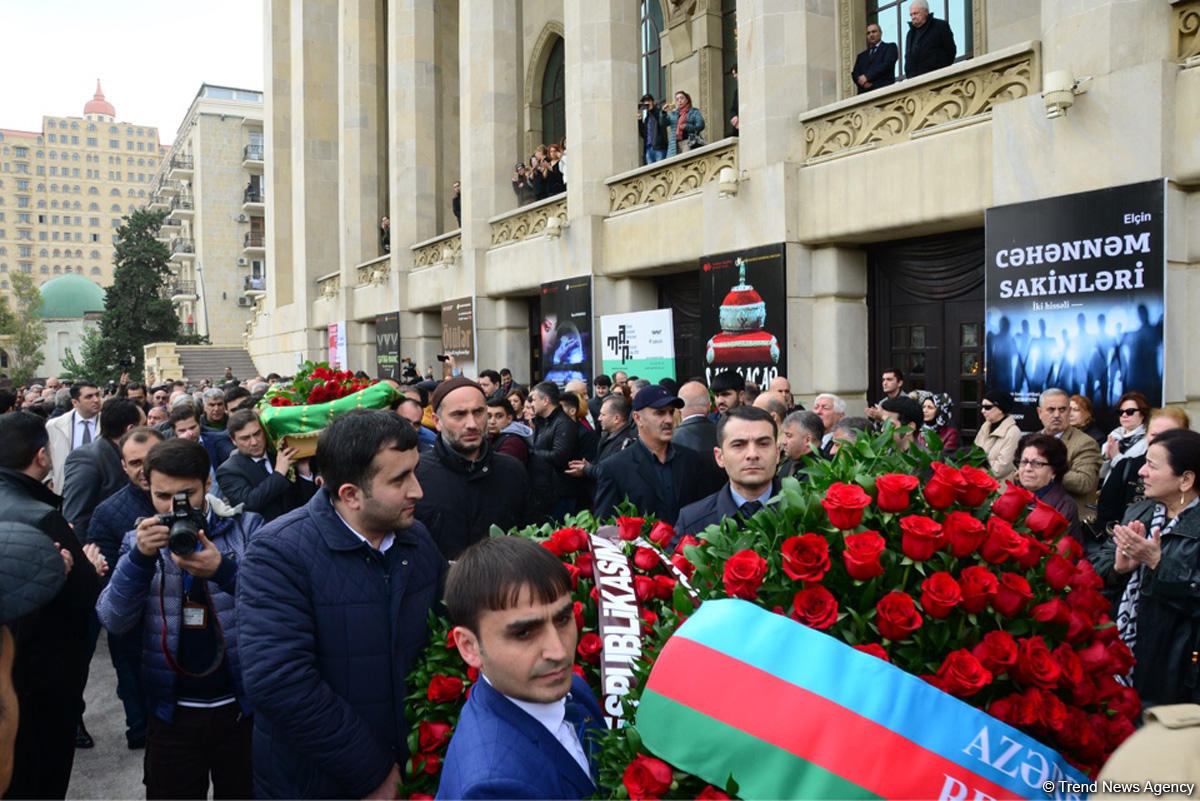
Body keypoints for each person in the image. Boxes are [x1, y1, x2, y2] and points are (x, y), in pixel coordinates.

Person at [238, 410, 447, 799]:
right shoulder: (277, 552)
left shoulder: (415, 539)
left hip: (411, 771)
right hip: (318, 783)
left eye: (414, 472)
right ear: (350, 494)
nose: (417, 490)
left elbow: (442, 634)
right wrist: (372, 772)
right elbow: (279, 681)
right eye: (399, 479)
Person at [96, 438, 264, 799]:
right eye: (162, 496)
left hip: (241, 709)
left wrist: (224, 570)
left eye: (187, 494)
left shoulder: (247, 529)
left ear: (208, 484)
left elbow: (275, 608)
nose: (176, 506)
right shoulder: (138, 541)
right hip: (170, 713)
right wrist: (139, 560)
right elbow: (114, 619)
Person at [438, 537, 604, 799]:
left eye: (562, 619)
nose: (558, 652)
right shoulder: (493, 788)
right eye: (524, 632)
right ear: (469, 647)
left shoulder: (573, 688)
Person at [0, 412, 100, 799]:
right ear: (42, 456)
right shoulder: (42, 517)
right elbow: (84, 599)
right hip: (36, 692)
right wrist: (88, 567)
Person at [1098, 428, 1200, 709]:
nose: (1141, 472)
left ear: (1186, 479)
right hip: (1121, 656)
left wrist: (1158, 564)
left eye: (1152, 465)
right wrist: (1118, 569)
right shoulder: (1139, 512)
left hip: (1175, 669)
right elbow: (1100, 567)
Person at [85, 426, 164, 751]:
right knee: (143, 729)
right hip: (134, 633)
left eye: (150, 460)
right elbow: (107, 587)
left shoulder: (196, 498)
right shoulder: (107, 514)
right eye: (134, 463)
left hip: (185, 627)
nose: (143, 470)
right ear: (123, 466)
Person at [415, 377, 529, 560]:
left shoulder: (512, 472)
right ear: (437, 421)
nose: (472, 424)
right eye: (459, 414)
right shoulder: (416, 475)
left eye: (478, 412)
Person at [594, 385, 708, 523]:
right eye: (660, 413)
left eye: (671, 412)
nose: (669, 420)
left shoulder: (692, 459)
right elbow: (606, 528)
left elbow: (704, 514)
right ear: (638, 418)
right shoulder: (614, 468)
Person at [676, 406, 781, 540]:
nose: (752, 454)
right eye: (738, 445)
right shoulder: (693, 522)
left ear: (777, 453)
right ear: (719, 457)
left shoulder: (806, 514)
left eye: (763, 444)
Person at [61, 398, 145, 542]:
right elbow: (76, 518)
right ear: (131, 430)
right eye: (145, 426)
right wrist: (86, 561)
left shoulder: (129, 455)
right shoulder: (87, 459)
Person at [216, 409, 317, 522]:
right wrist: (278, 474)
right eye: (245, 438)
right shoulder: (228, 471)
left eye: (257, 433)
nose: (254, 442)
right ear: (233, 440)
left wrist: (304, 472)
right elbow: (248, 503)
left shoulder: (280, 454)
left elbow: (307, 499)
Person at [1038, 388, 1102, 521]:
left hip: (1070, 521)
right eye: (1051, 409)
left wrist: (1047, 470)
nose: (1057, 415)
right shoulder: (1033, 440)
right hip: (1034, 516)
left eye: (1062, 410)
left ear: (1068, 412)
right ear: (1040, 412)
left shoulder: (1085, 443)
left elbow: (1084, 483)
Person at [1014, 433, 1083, 545]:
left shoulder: (1064, 506)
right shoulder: (1010, 497)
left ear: (1054, 471)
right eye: (1024, 461)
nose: (1027, 468)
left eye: (1037, 463)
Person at [529, 382, 580, 522]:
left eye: (533, 399)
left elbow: (560, 456)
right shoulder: (543, 422)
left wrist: (532, 453)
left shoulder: (563, 423)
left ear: (545, 401)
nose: (531, 404)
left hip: (560, 495)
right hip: (544, 493)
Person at [45, 379, 103, 493]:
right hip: (66, 490)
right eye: (89, 397)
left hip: (100, 490)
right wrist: (48, 479)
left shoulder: (109, 422)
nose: (96, 400)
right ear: (75, 402)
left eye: (97, 395)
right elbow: (47, 456)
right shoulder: (55, 426)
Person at [566, 393, 637, 483]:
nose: (599, 418)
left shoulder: (626, 442)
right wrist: (590, 466)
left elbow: (611, 471)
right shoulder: (607, 436)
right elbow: (603, 465)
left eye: (603, 415)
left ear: (616, 418)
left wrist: (586, 470)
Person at [1101, 391, 1151, 484]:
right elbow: (1100, 474)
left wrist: (1116, 456)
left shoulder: (1148, 440)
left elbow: (1137, 473)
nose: (1124, 415)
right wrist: (1106, 457)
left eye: (1130, 411)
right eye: (1120, 412)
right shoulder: (1114, 436)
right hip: (1109, 489)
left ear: (1143, 414)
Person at [974, 390, 1022, 483]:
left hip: (999, 490)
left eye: (987, 407)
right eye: (982, 406)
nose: (983, 410)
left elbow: (1000, 469)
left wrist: (977, 467)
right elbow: (973, 454)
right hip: (980, 485)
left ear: (1000, 409)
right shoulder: (985, 426)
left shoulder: (1013, 432)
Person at [904, 0, 956, 79]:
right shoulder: (910, 34)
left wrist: (940, 71)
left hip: (936, 78)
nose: (913, 17)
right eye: (911, 15)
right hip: (914, 82)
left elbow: (950, 51)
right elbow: (908, 58)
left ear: (926, 12)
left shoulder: (940, 26)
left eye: (916, 13)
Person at [851, 22, 898, 93]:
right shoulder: (861, 56)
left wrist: (867, 76)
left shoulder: (890, 47)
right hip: (864, 95)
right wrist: (863, 83)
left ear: (881, 33)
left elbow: (887, 64)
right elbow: (855, 73)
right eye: (868, 33)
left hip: (884, 91)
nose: (871, 35)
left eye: (874, 32)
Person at [487, 397, 533, 466]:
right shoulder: (493, 435)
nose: (492, 421)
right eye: (489, 416)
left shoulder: (513, 443)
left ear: (509, 418)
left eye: (499, 416)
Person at [779, 410, 823, 480]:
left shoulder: (821, 472)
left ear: (808, 440)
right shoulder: (789, 463)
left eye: (789, 436)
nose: (784, 442)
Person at [664, 90, 705, 157]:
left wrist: (687, 126)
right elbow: (663, 123)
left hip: (688, 142)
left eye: (682, 98)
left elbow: (701, 125)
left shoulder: (694, 112)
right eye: (677, 99)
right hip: (675, 145)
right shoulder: (674, 114)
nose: (679, 100)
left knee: (685, 162)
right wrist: (663, 113)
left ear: (687, 100)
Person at [638, 93, 669, 164]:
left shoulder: (659, 113)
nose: (647, 103)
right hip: (648, 149)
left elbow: (661, 122)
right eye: (645, 102)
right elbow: (644, 135)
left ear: (653, 102)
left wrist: (653, 109)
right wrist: (640, 121)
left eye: (648, 101)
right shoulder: (647, 119)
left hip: (659, 148)